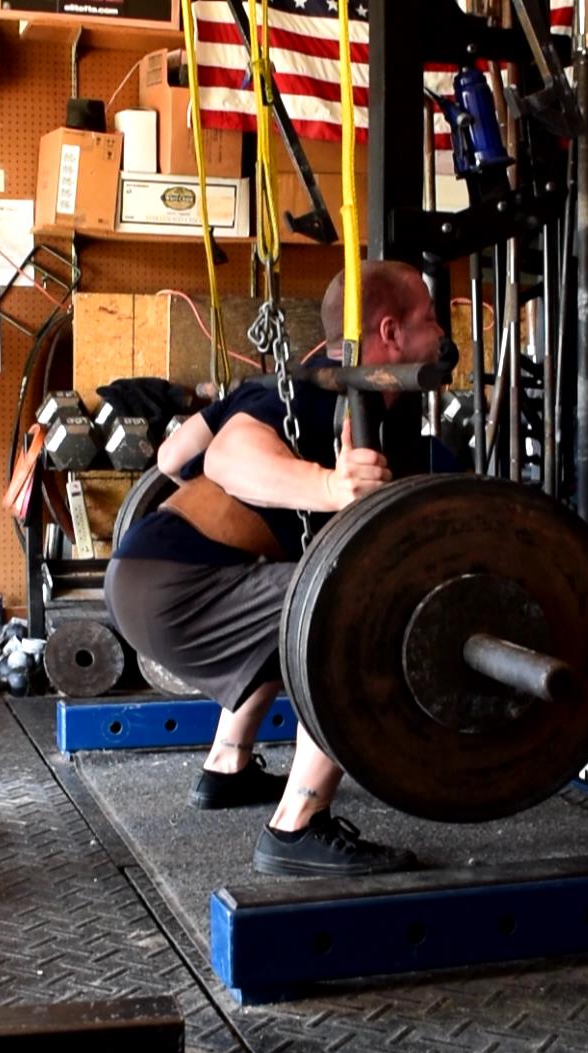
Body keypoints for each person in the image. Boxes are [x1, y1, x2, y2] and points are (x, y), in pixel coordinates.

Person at [105, 259, 453, 875]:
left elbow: (172, 456)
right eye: (432, 321)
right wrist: (323, 485)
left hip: (146, 577)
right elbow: (223, 461)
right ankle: (298, 826)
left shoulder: (293, 388)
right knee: (355, 608)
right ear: (392, 334)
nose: (445, 338)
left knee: (292, 598)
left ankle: (228, 764)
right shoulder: (329, 394)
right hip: (178, 590)